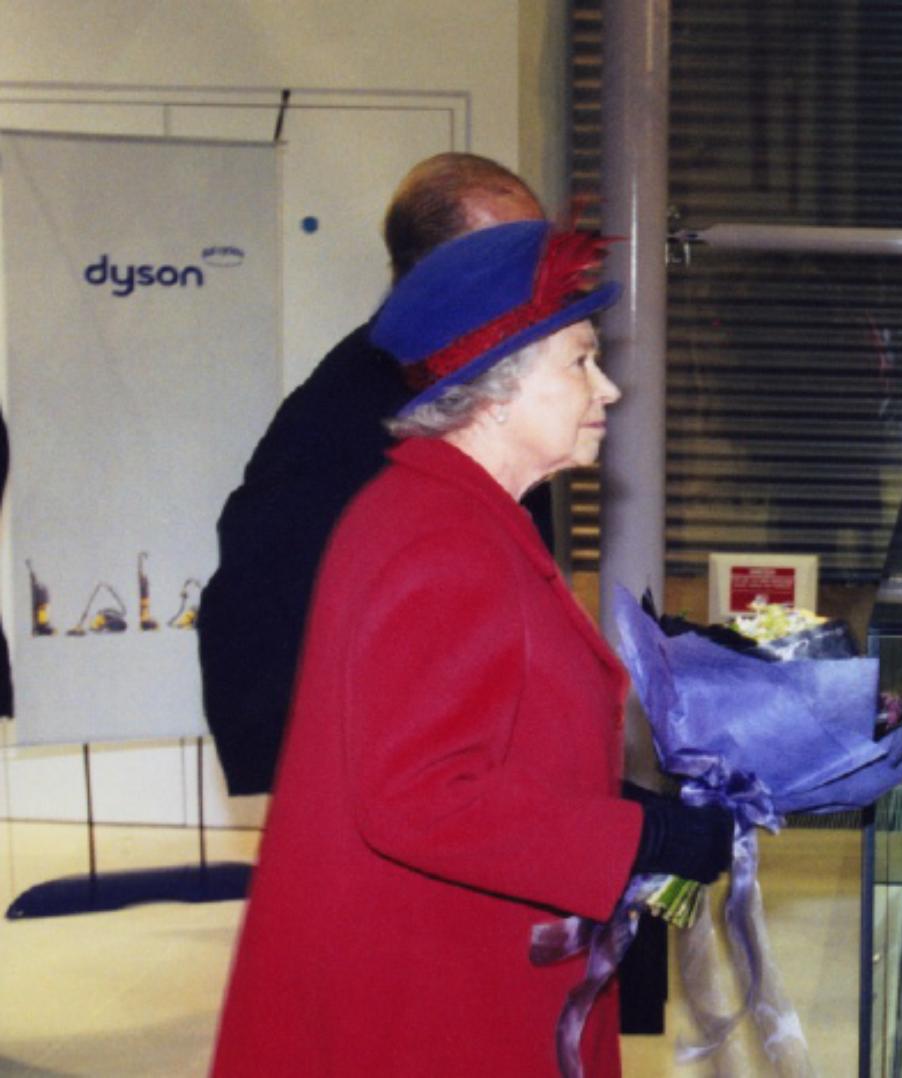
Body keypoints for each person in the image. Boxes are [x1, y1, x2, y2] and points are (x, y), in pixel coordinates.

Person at [211, 221, 733, 1076]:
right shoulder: (442, 541)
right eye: (579, 361)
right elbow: (418, 796)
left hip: (450, 963)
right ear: (495, 387)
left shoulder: (454, 514)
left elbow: (490, 739)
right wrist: (638, 836)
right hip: (433, 999)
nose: (606, 389)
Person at [198, 153, 550, 796]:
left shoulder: (477, 377)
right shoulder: (379, 398)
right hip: (354, 748)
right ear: (432, 270)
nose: (533, 276)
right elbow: (282, 580)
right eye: (507, 254)